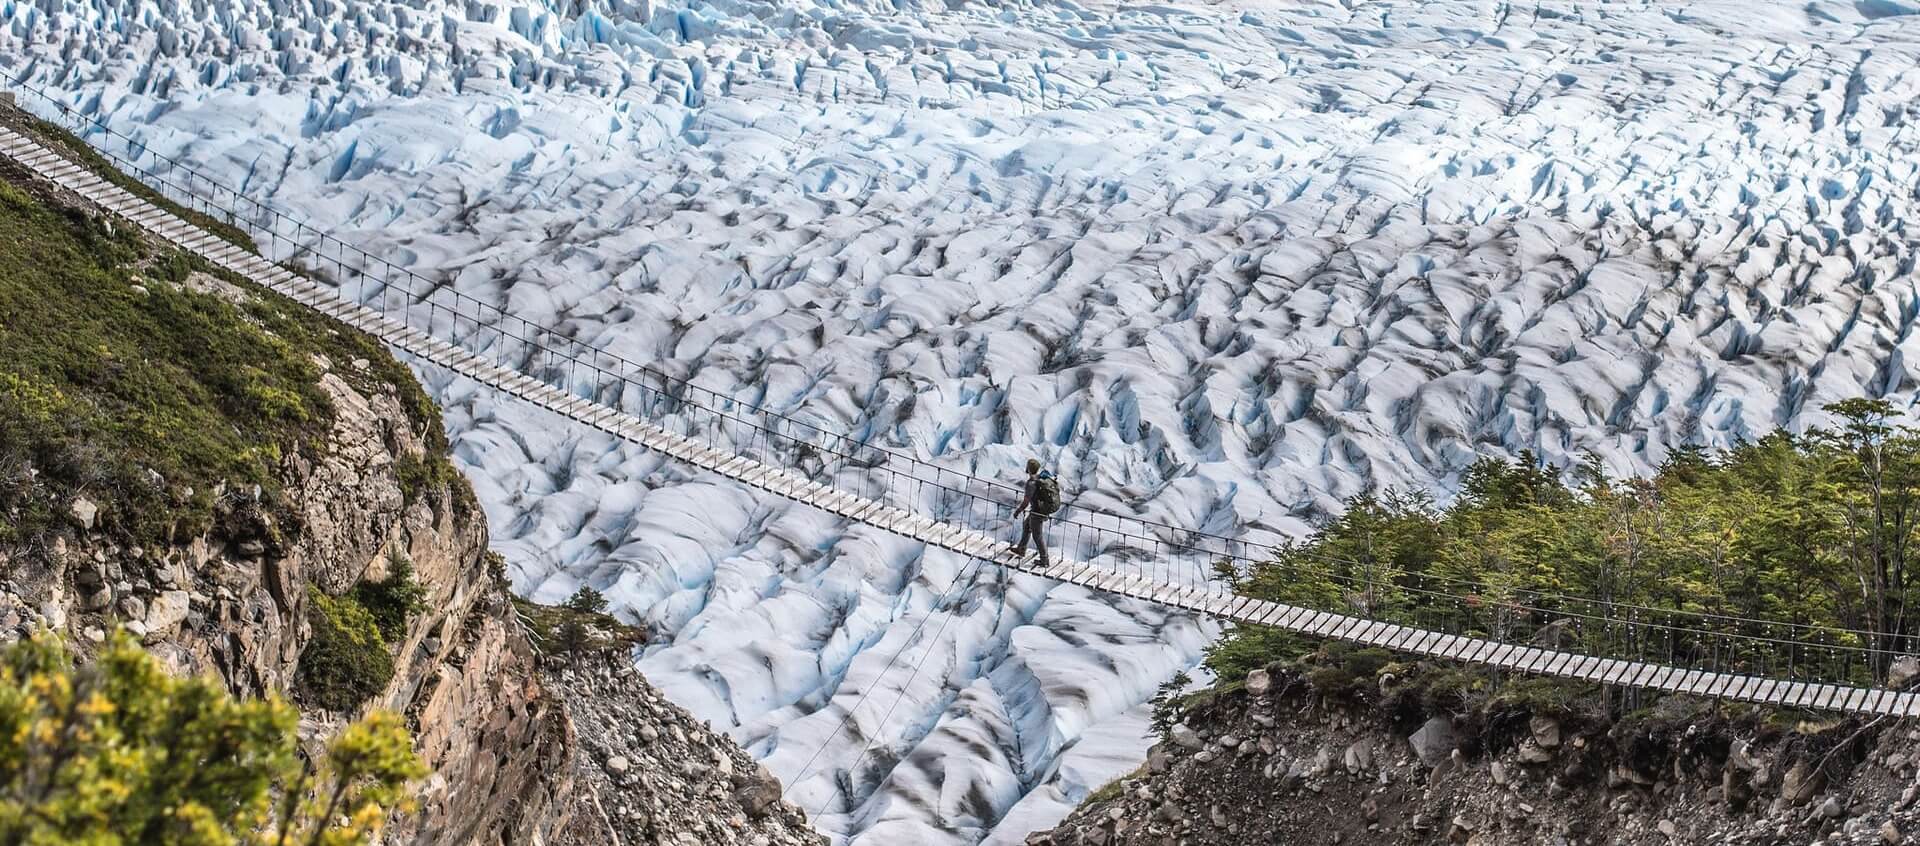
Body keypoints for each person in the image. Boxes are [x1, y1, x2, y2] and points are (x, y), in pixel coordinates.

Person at [1010, 459, 1060, 565]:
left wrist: (1018, 511)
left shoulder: (1031, 483)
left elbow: (1026, 502)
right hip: (1039, 510)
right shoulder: (1040, 478)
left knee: (1037, 536)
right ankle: (1021, 549)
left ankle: (1044, 559)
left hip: (1038, 512)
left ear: (1028, 469)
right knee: (1027, 525)